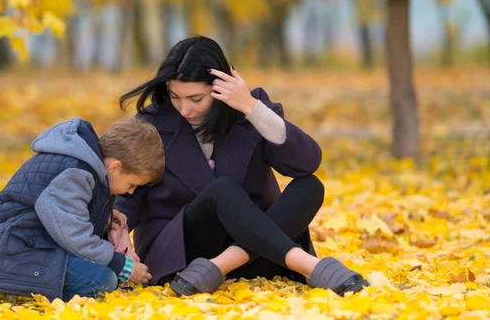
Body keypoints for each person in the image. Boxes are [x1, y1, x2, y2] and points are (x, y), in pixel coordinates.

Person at [113, 36, 369, 297]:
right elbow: (127, 186)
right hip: (185, 257)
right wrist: (118, 223)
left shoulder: (247, 109)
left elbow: (307, 162)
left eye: (196, 99)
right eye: (175, 96)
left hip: (256, 252)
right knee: (222, 190)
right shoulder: (152, 122)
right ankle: (311, 267)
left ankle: (220, 266)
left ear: (221, 87)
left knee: (310, 186)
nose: (184, 109)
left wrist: (250, 107)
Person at [0, 117, 164, 301]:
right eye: (132, 184)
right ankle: (20, 291)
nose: (130, 192)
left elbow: (61, 215)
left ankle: (24, 289)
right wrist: (123, 266)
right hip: (11, 257)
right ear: (115, 167)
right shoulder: (74, 173)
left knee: (103, 276)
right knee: (102, 281)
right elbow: (73, 235)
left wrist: (106, 218)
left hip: (29, 247)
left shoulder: (84, 166)